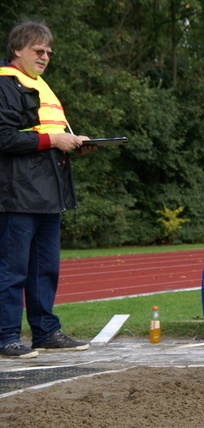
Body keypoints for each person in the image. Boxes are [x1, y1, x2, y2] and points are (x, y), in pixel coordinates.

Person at [0, 20, 93, 359]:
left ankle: (45, 331)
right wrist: (54, 139)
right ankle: (6, 336)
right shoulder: (4, 84)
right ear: (17, 50)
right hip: (17, 193)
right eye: (38, 51)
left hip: (49, 191)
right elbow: (4, 138)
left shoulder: (39, 85)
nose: (45, 57)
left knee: (45, 268)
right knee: (12, 269)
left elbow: (44, 133)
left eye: (49, 53)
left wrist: (74, 144)